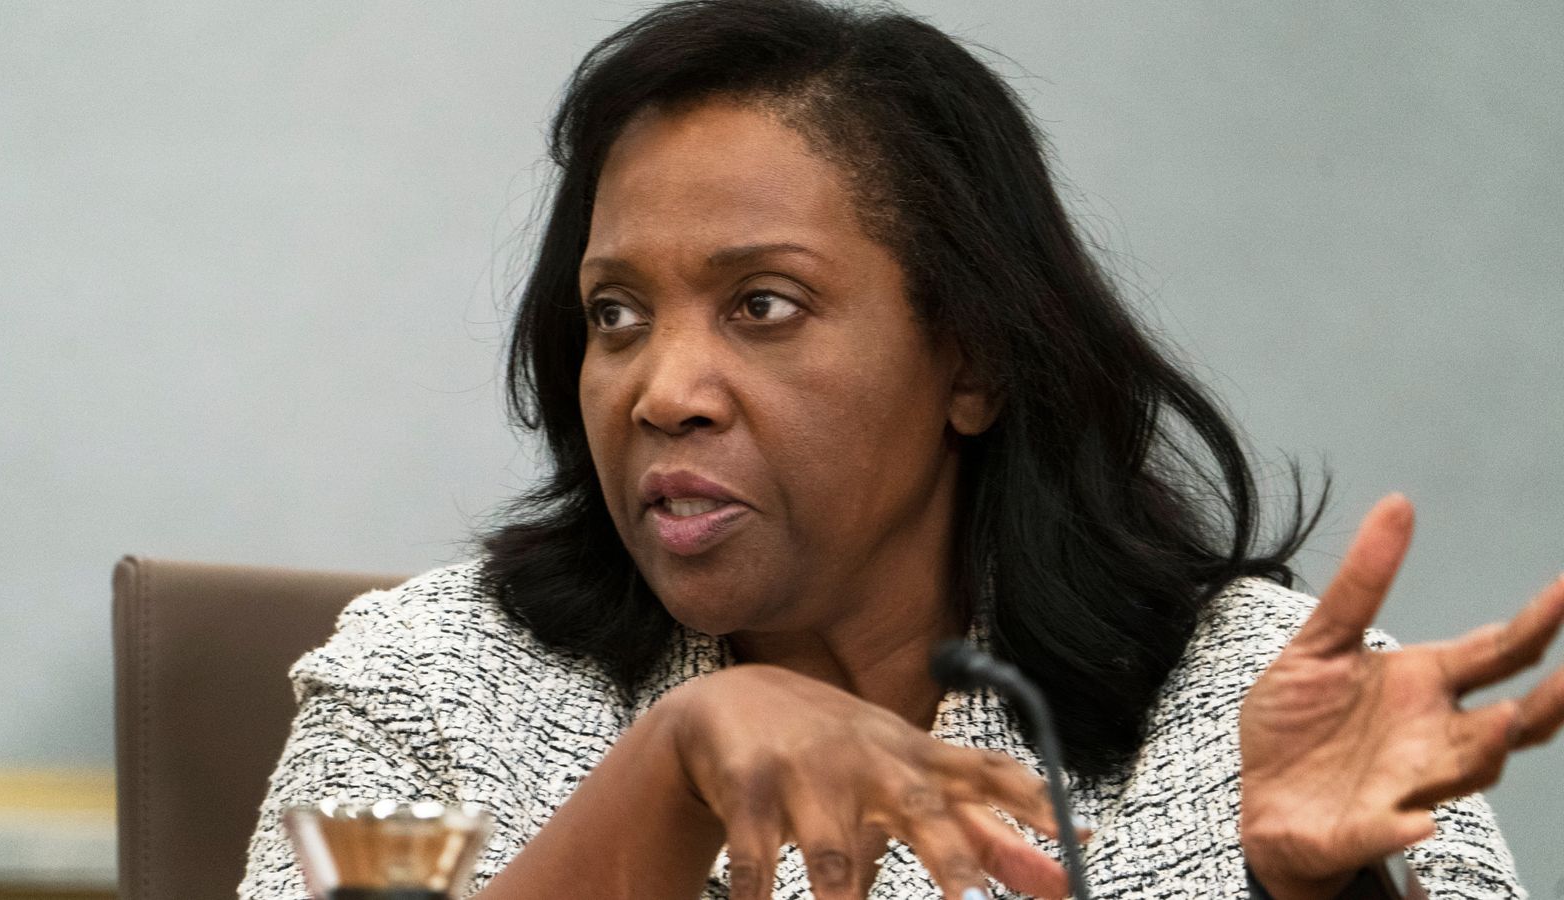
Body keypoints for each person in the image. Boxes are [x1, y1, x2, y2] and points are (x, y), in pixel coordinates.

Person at [239, 1, 1564, 897]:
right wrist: (670, 767)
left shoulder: (1246, 702)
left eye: (763, 304)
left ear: (973, 360)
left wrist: (1318, 894)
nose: (662, 390)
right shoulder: (437, 683)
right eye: (616, 315)